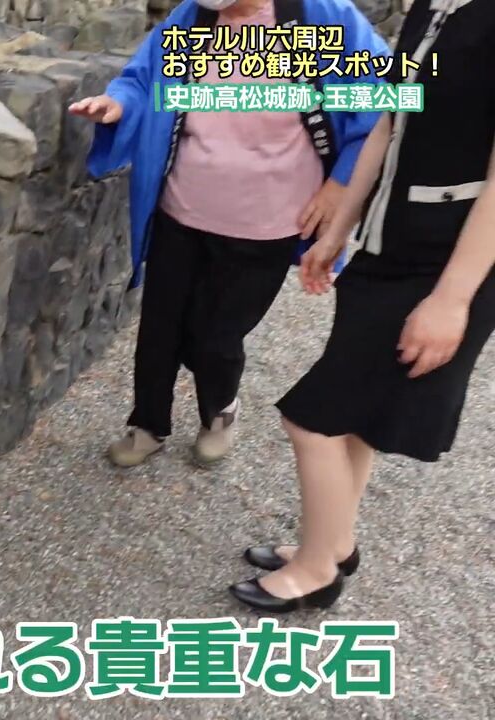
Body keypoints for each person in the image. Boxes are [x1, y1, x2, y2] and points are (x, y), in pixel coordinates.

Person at [230, 0, 495, 612]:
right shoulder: (434, 7)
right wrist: (338, 231)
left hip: (448, 263)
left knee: (312, 417)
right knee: (351, 414)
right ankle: (334, 542)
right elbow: (388, 122)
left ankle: (316, 571)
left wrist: (451, 301)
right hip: (387, 244)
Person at [70, 0, 389, 468]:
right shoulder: (193, 17)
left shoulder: (320, 16)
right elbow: (143, 79)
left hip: (268, 222)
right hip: (179, 208)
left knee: (215, 336)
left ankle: (219, 412)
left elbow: (381, 100)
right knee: (159, 329)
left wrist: (341, 184)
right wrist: (117, 104)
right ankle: (148, 424)